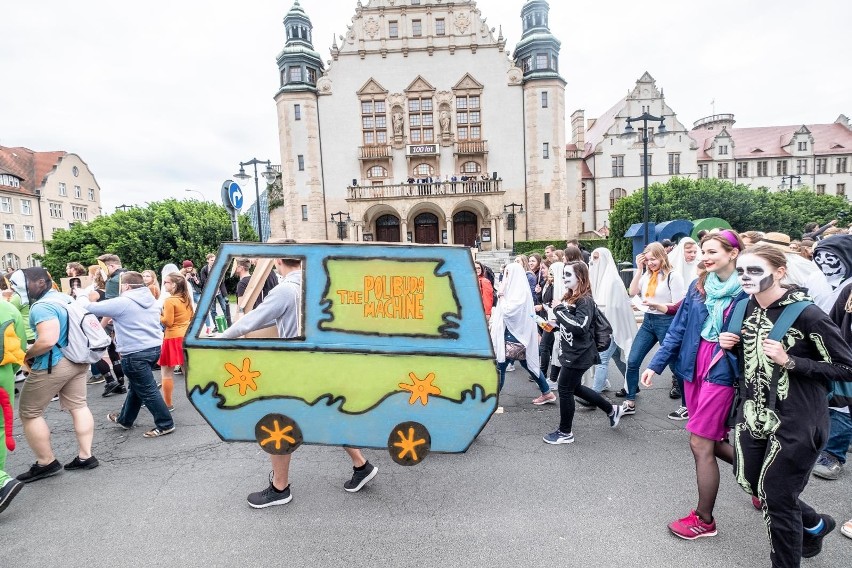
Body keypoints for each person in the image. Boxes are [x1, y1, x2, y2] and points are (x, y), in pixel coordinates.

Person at [721, 244, 852, 566]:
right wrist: (732, 347)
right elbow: (750, 364)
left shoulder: (808, 314)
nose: (745, 277)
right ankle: (816, 524)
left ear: (779, 272)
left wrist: (791, 361)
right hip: (751, 412)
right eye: (741, 271)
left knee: (777, 498)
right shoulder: (741, 308)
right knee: (751, 481)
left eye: (754, 270)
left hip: (798, 418)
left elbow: (846, 368)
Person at [221, 258, 378, 507]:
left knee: (277, 423)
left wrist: (221, 338)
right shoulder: (315, 284)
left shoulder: (285, 289)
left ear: (279, 260)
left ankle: (280, 488)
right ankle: (361, 465)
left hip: (297, 368)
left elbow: (254, 319)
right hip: (322, 363)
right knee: (329, 415)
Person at [640, 230, 747, 539]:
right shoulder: (699, 286)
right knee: (711, 440)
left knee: (700, 442)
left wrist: (736, 342)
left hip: (723, 369)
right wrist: (656, 365)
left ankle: (704, 519)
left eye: (713, 251)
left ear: (733, 253)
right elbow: (678, 328)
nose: (706, 256)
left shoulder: (748, 290)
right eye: (704, 251)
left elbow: (761, 336)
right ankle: (763, 480)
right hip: (694, 364)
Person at [9, 268, 98, 483]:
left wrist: (26, 355)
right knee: (79, 405)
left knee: (29, 412)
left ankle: (46, 462)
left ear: (40, 283)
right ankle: (86, 456)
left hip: (54, 362)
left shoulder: (41, 306)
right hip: (78, 357)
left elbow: (48, 340)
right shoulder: (63, 298)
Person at [82, 271, 175, 438]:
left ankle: (165, 423)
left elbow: (89, 307)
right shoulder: (151, 299)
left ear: (126, 286)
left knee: (147, 390)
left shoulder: (123, 302)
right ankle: (125, 419)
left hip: (134, 352)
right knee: (136, 387)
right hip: (154, 348)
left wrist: (84, 296)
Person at [542, 261, 624, 445]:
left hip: (579, 354)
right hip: (572, 351)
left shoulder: (584, 300)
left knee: (564, 389)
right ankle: (612, 410)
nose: (564, 278)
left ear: (580, 277)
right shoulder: (572, 297)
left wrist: (559, 310)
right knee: (575, 388)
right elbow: (571, 324)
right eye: (563, 274)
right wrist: (554, 326)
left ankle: (565, 432)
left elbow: (580, 326)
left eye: (568, 275)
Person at [618, 242, 686, 409]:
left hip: (667, 322)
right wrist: (639, 269)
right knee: (633, 360)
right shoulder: (647, 275)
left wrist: (657, 305)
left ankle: (687, 405)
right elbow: (632, 292)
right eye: (647, 260)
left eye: (653, 259)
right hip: (649, 321)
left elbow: (679, 306)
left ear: (662, 256)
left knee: (675, 366)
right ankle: (630, 399)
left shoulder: (673, 276)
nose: (650, 263)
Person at [490, 264, 556, 404]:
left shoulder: (519, 291)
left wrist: (501, 296)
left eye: (507, 273)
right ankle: (547, 392)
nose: (505, 277)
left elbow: (508, 311)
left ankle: (492, 401)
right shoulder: (515, 289)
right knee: (528, 363)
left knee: (500, 365)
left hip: (516, 335)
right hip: (515, 334)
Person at [588, 247, 635, 394]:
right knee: (616, 357)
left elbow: (616, 306)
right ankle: (633, 385)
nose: (593, 261)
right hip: (602, 326)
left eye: (596, 258)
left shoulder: (613, 280)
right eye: (592, 258)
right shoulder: (597, 277)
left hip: (613, 326)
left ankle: (594, 393)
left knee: (602, 358)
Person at [0, 297, 27, 513]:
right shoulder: (8, 307)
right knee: (0, 426)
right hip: (4, 372)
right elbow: (22, 343)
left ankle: (0, 479)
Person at [158, 272, 193, 412]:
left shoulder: (169, 301)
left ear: (174, 284)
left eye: (166, 282)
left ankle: (167, 404)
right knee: (188, 371)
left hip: (172, 338)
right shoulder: (187, 298)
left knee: (166, 373)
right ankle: (196, 398)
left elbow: (168, 322)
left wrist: (159, 315)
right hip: (185, 337)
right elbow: (192, 316)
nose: (164, 284)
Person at [199, 252, 229, 334]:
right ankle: (217, 326)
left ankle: (229, 324)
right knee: (213, 310)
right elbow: (204, 281)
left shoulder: (219, 267)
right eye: (212, 260)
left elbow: (222, 280)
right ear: (207, 260)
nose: (214, 261)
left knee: (224, 308)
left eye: (215, 260)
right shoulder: (204, 269)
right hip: (211, 293)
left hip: (220, 292)